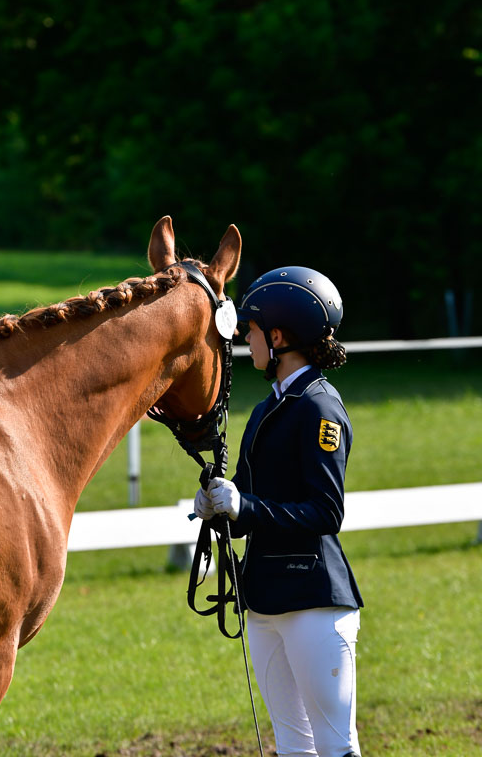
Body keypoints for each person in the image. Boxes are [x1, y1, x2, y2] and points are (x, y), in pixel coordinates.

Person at [194, 266, 363, 757]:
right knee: (292, 746)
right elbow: (251, 501)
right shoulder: (270, 407)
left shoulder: (319, 408)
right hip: (265, 597)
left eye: (251, 330)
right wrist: (220, 506)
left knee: (334, 745)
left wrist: (245, 504)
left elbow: (326, 512)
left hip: (312, 599)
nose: (247, 338)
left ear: (279, 335)